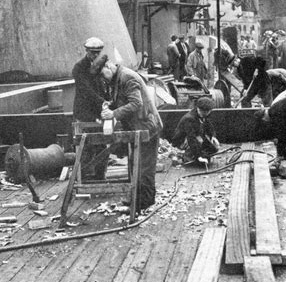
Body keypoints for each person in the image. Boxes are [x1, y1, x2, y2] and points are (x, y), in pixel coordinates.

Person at [98, 59, 162, 211]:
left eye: (103, 75)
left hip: (146, 126)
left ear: (108, 66)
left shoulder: (127, 77)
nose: (103, 79)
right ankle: (137, 198)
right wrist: (109, 105)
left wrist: (113, 113)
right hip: (137, 127)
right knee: (135, 162)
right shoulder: (117, 78)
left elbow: (136, 103)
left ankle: (144, 202)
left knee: (144, 166)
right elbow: (122, 100)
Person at [72, 37, 109, 180]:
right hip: (85, 112)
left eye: (97, 52)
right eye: (92, 52)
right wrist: (104, 102)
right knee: (85, 145)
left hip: (98, 111)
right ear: (86, 51)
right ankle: (85, 177)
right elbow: (86, 91)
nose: (95, 55)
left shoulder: (100, 65)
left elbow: (102, 85)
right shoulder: (79, 68)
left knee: (102, 143)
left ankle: (100, 175)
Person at [171, 96, 220, 164]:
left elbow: (210, 127)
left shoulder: (204, 115)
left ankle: (196, 154)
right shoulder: (189, 119)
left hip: (196, 137)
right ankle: (185, 156)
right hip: (181, 142)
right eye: (202, 111)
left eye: (207, 112)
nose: (205, 114)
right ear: (197, 108)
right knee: (199, 140)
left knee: (213, 147)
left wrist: (213, 137)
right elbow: (191, 138)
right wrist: (199, 157)